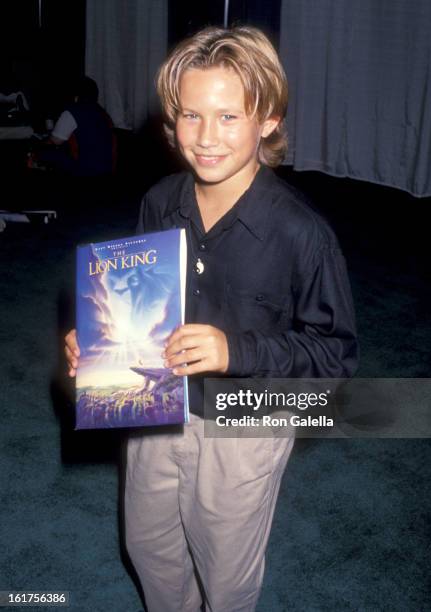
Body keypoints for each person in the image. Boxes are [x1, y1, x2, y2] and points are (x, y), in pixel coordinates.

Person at [65, 26, 358, 611]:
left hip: (245, 420)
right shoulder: (159, 200)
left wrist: (237, 352)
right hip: (157, 402)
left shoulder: (304, 235)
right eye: (191, 116)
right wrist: (99, 339)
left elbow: (335, 362)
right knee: (149, 545)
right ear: (172, 121)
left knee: (224, 568)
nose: (205, 137)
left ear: (269, 120)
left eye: (229, 117)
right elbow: (139, 295)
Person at [35, 76, 116, 176]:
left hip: (86, 169)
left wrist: (41, 143)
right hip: (108, 169)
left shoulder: (73, 111)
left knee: (43, 152)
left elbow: (55, 141)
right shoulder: (102, 112)